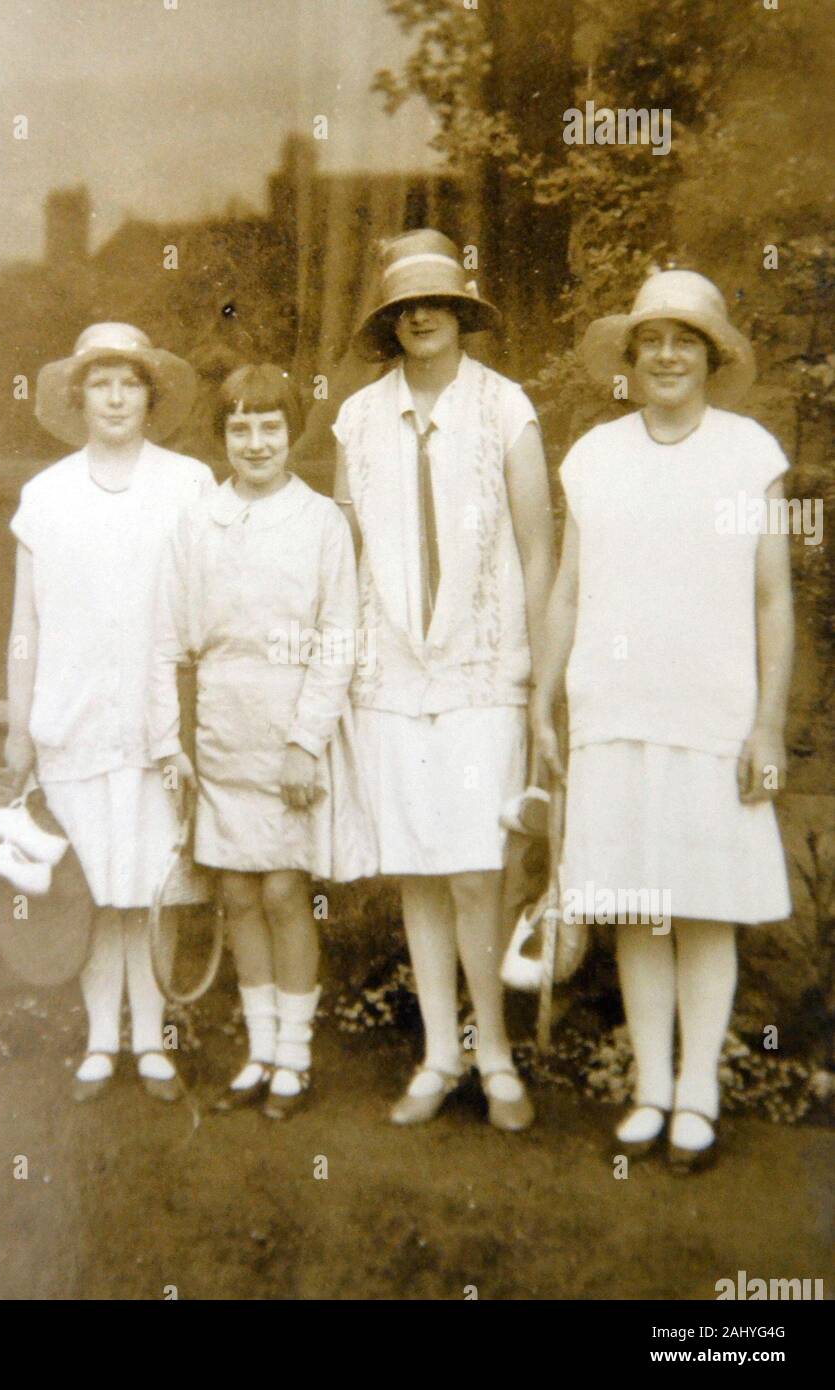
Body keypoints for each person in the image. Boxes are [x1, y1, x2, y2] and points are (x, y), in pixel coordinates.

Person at [531, 269, 794, 1172]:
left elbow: (770, 601)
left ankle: (700, 1093)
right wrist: (544, 696)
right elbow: (568, 588)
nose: (668, 354)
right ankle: (650, 1087)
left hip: (712, 715)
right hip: (613, 711)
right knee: (638, 909)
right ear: (630, 359)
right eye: (652, 341)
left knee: (704, 908)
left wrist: (764, 725)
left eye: (686, 340)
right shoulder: (595, 456)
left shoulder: (748, 452)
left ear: (712, 356)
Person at [333, 230, 555, 1128]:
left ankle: (494, 1056)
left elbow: (540, 550)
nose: (420, 317)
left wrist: (541, 678)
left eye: (435, 302)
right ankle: (437, 1053)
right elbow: (342, 554)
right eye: (402, 307)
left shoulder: (506, 410)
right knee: (417, 872)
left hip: (480, 670)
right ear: (390, 323)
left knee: (474, 869)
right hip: (388, 673)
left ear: (461, 314)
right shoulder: (355, 418)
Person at [151, 364, 374, 1119]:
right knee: (237, 891)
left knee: (284, 889)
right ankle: (258, 1050)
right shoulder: (196, 522)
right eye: (240, 429)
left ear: (290, 434)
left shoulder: (320, 524)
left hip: (289, 732)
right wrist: (176, 741)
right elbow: (170, 639)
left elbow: (339, 639)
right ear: (222, 439)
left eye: (269, 427)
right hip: (221, 731)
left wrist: (305, 742)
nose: (255, 443)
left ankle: (296, 1056)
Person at [7, 322, 214, 1102]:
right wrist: (16, 722)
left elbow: (206, 605)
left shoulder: (188, 483)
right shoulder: (45, 496)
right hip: (73, 713)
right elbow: (24, 624)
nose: (117, 396)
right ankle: (100, 1039)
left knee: (151, 879)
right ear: (78, 396)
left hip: (156, 718)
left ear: (149, 394)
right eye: (101, 383)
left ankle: (154, 1040)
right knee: (94, 880)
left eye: (130, 382)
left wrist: (193, 722)